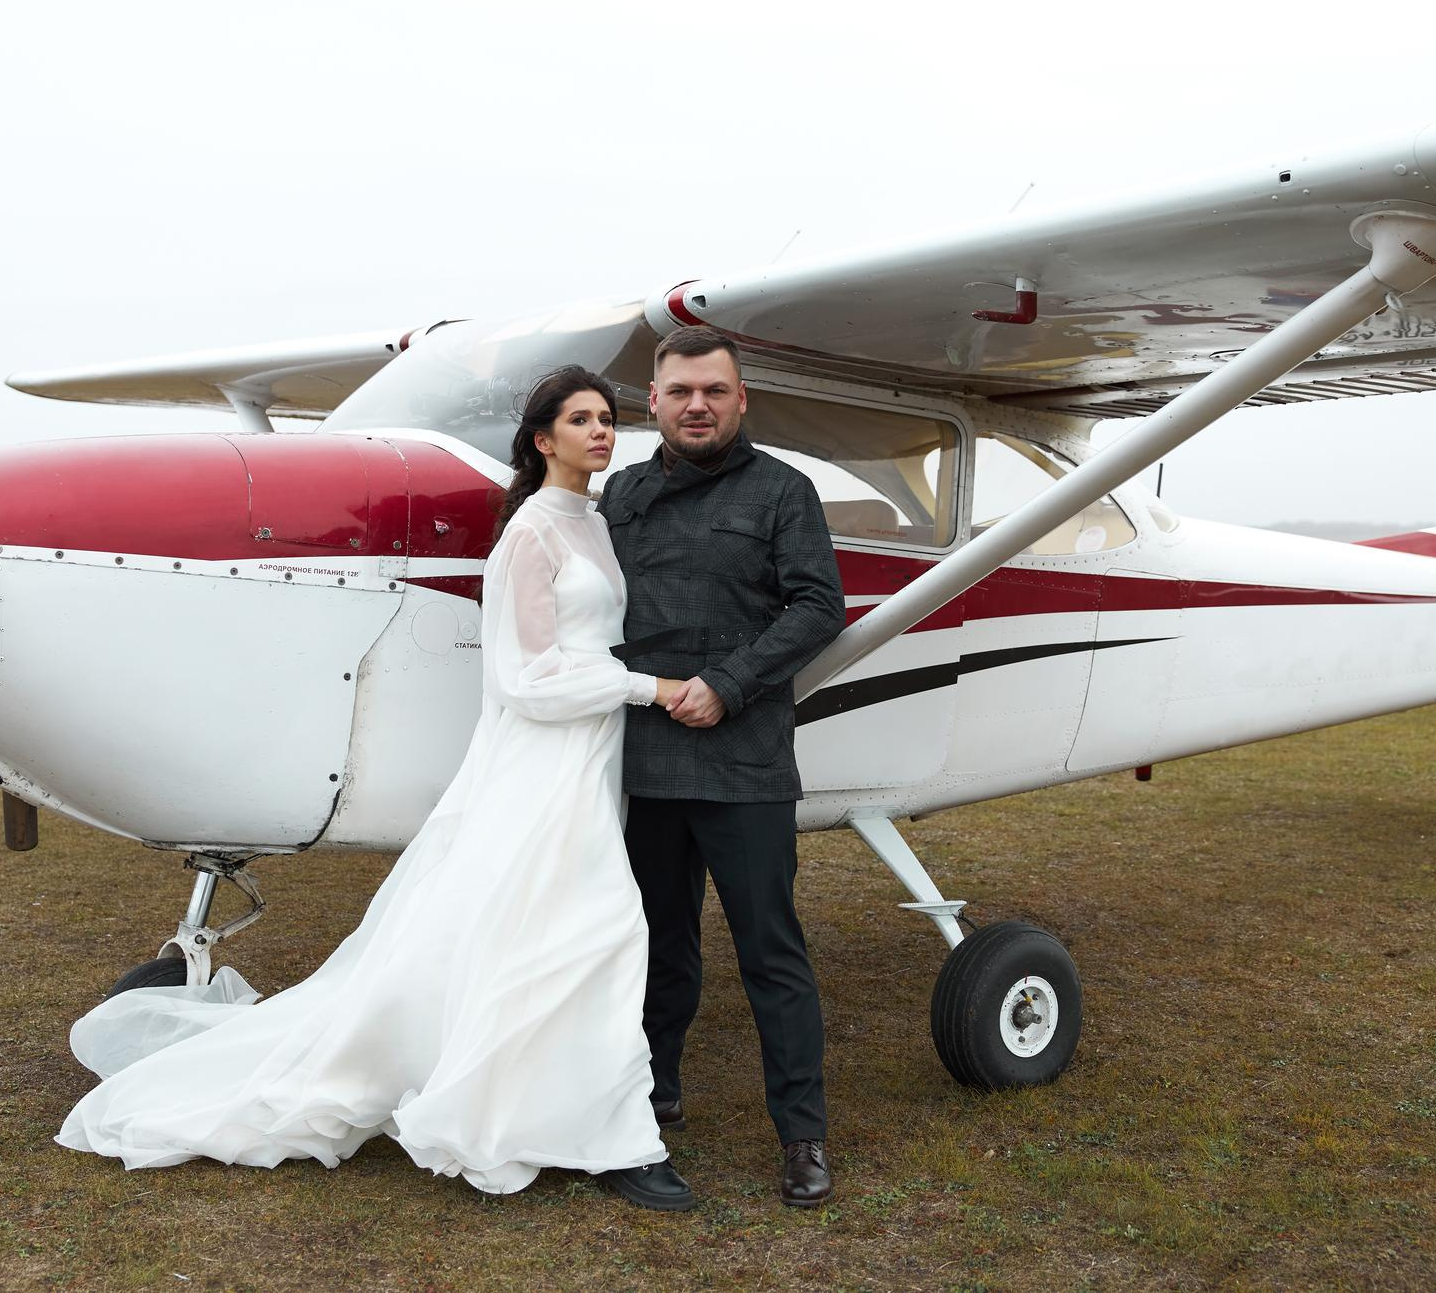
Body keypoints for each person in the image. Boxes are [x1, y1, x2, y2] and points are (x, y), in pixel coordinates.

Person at [57, 365, 697, 1211]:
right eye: (580, 420)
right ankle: (612, 1136)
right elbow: (526, 679)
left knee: (553, 934)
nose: (601, 432)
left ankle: (558, 1106)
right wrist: (646, 688)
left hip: (591, 758)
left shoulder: (591, 523)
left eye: (607, 419)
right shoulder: (532, 534)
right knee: (595, 927)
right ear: (543, 441)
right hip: (543, 759)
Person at [598, 326, 848, 1208]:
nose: (696, 404)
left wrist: (729, 683)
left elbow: (820, 604)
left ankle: (803, 1136)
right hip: (646, 759)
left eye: (714, 391)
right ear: (654, 403)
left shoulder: (784, 490)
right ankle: (649, 1098)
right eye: (679, 391)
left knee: (771, 954)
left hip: (743, 760)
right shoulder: (619, 496)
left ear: (741, 401)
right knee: (655, 948)